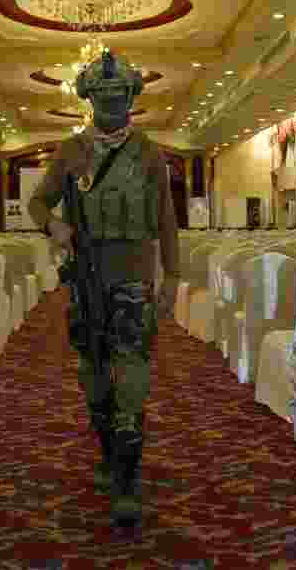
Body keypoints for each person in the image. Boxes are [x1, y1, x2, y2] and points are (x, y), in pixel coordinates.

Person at [28, 50, 179, 527]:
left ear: (132, 96)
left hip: (134, 278)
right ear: (89, 98)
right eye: (103, 95)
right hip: (87, 279)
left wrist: (171, 277)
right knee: (93, 371)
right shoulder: (71, 151)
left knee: (131, 373)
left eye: (120, 94)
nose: (112, 102)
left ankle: (128, 479)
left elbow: (167, 221)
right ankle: (108, 452)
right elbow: (37, 202)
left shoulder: (150, 152)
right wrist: (53, 227)